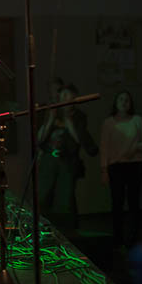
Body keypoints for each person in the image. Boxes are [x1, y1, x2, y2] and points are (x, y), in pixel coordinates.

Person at [38, 83, 98, 230]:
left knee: (65, 198)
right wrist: (51, 118)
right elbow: (39, 139)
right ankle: (45, 228)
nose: (62, 98)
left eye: (66, 95)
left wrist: (68, 121)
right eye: (61, 95)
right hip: (49, 160)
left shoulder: (79, 116)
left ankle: (67, 231)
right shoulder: (51, 113)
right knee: (44, 196)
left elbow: (80, 139)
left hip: (67, 161)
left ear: (74, 97)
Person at [100, 90, 142, 248]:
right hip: (116, 166)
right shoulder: (109, 122)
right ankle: (118, 237)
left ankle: (135, 236)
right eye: (121, 99)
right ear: (115, 102)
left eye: (127, 99)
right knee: (117, 203)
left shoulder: (137, 120)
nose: (124, 102)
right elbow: (104, 148)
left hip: (135, 165)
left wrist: (134, 148)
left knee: (134, 202)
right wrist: (104, 170)